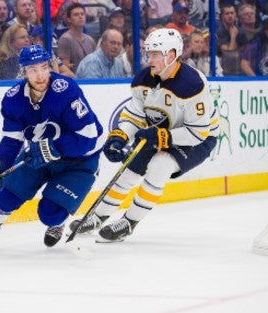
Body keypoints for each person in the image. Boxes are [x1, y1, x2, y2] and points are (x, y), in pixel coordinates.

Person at [69, 28, 219, 242]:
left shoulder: (192, 84)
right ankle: (98, 216)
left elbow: (198, 132)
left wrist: (161, 137)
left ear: (171, 55)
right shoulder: (143, 79)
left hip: (197, 139)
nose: (150, 59)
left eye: (155, 54)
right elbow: (135, 114)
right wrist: (119, 136)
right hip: (161, 131)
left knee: (160, 165)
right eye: (149, 53)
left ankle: (129, 222)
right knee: (130, 170)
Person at [0, 44, 104, 250]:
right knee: (7, 195)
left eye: (43, 67)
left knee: (49, 213)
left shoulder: (66, 90)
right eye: (33, 70)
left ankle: (57, 222)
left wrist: (53, 147)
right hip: (39, 154)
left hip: (79, 160)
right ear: (23, 71)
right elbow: (11, 141)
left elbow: (88, 136)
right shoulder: (13, 99)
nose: (40, 75)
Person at [57, 2, 96, 74]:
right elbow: (64, 68)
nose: (80, 17)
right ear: (69, 19)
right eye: (76, 15)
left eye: (82, 14)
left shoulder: (90, 40)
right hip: (75, 80)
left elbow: (94, 64)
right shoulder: (65, 39)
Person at [216, 3, 248, 76]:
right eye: (227, 13)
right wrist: (233, 36)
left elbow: (244, 50)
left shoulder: (241, 30)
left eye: (232, 13)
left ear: (235, 15)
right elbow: (228, 53)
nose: (230, 16)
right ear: (222, 16)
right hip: (223, 67)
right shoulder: (219, 31)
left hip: (238, 67)